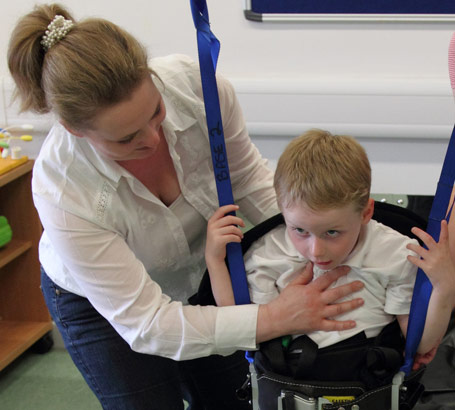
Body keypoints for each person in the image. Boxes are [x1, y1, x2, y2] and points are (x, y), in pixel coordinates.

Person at [7, 5, 367, 410]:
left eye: (156, 113)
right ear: (76, 131)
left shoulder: (198, 89)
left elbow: (249, 180)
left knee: (233, 400)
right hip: (105, 307)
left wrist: (318, 245)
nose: (153, 139)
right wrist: (274, 318)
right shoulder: (64, 188)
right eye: (126, 139)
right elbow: (148, 325)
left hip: (201, 271)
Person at [206, 129, 455, 383]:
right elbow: (240, 328)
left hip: (365, 381)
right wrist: (215, 262)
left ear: (366, 212)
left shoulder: (394, 255)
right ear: (282, 211)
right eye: (300, 230)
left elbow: (419, 345)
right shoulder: (270, 253)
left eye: (332, 232)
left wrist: (445, 287)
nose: (315, 251)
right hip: (290, 380)